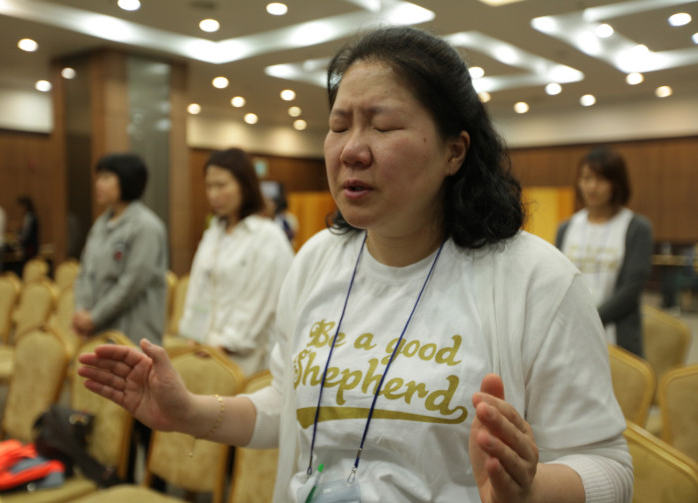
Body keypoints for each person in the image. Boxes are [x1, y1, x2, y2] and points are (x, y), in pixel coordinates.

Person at [78, 27, 632, 503]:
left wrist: (530, 489)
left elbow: (611, 467)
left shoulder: (536, 281)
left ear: (454, 151)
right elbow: (288, 403)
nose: (351, 150)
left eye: (382, 126)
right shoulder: (316, 261)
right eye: (339, 125)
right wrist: (190, 412)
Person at [178, 148, 295, 377]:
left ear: (245, 185)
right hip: (205, 351)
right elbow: (199, 290)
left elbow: (260, 304)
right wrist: (193, 336)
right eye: (209, 186)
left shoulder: (267, 236)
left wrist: (224, 343)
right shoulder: (214, 233)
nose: (213, 194)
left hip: (248, 360)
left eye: (221, 185)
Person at [556, 147, 653, 357]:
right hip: (570, 333)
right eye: (586, 178)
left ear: (617, 183)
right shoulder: (566, 228)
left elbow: (630, 290)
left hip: (618, 338)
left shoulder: (637, 228)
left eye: (600, 180)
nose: (592, 187)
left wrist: (590, 319)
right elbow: (557, 281)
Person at [73, 153, 168, 346]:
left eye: (106, 178)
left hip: (133, 332)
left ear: (126, 180)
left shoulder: (145, 226)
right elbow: (84, 273)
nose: (98, 184)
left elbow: (132, 284)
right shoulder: (101, 224)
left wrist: (94, 317)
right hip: (99, 329)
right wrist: (81, 311)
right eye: (98, 178)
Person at [15, 196, 40, 262]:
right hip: (31, 246)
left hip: (30, 247)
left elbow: (26, 235)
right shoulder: (31, 216)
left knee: (29, 264)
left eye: (20, 207)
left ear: (25, 206)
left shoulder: (29, 217)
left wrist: (17, 232)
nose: (19, 210)